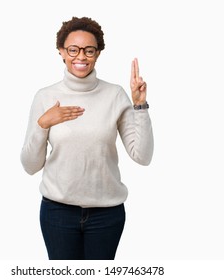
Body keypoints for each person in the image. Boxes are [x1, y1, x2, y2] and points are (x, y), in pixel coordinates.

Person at [20, 16, 154, 260]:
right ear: (61, 52)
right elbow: (30, 166)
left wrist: (140, 105)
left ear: (98, 53)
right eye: (73, 49)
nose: (80, 56)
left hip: (107, 214)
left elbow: (142, 156)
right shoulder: (45, 97)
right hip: (57, 212)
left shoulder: (114, 94)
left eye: (88, 50)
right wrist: (43, 124)